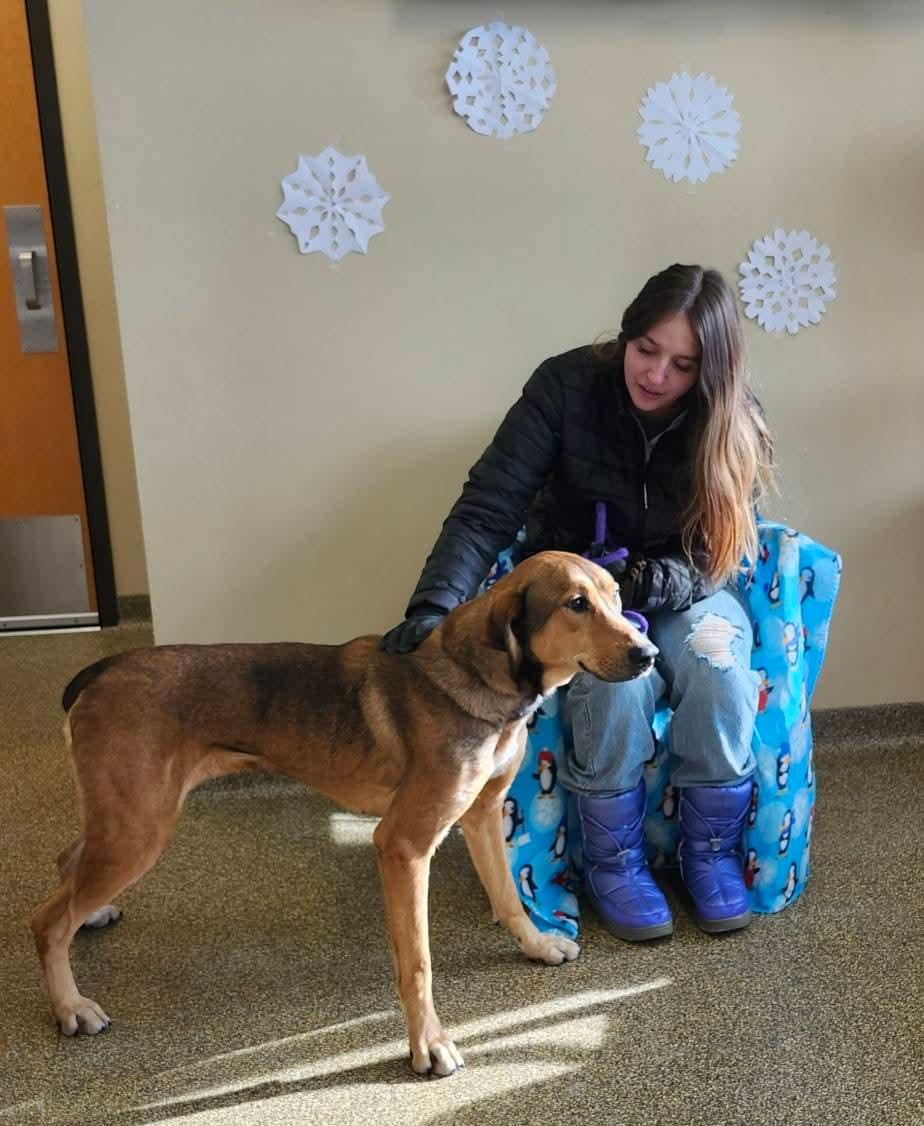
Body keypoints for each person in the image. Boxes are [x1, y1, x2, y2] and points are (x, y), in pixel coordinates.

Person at [381, 263, 774, 942]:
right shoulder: (563, 386)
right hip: (578, 595)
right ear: (625, 335)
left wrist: (647, 587)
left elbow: (721, 553)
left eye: (682, 366)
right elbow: (485, 510)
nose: (656, 375)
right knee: (613, 686)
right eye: (645, 350)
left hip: (682, 590)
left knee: (718, 670)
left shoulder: (733, 420)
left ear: (709, 374)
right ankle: (612, 862)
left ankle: (708, 853)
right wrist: (432, 608)